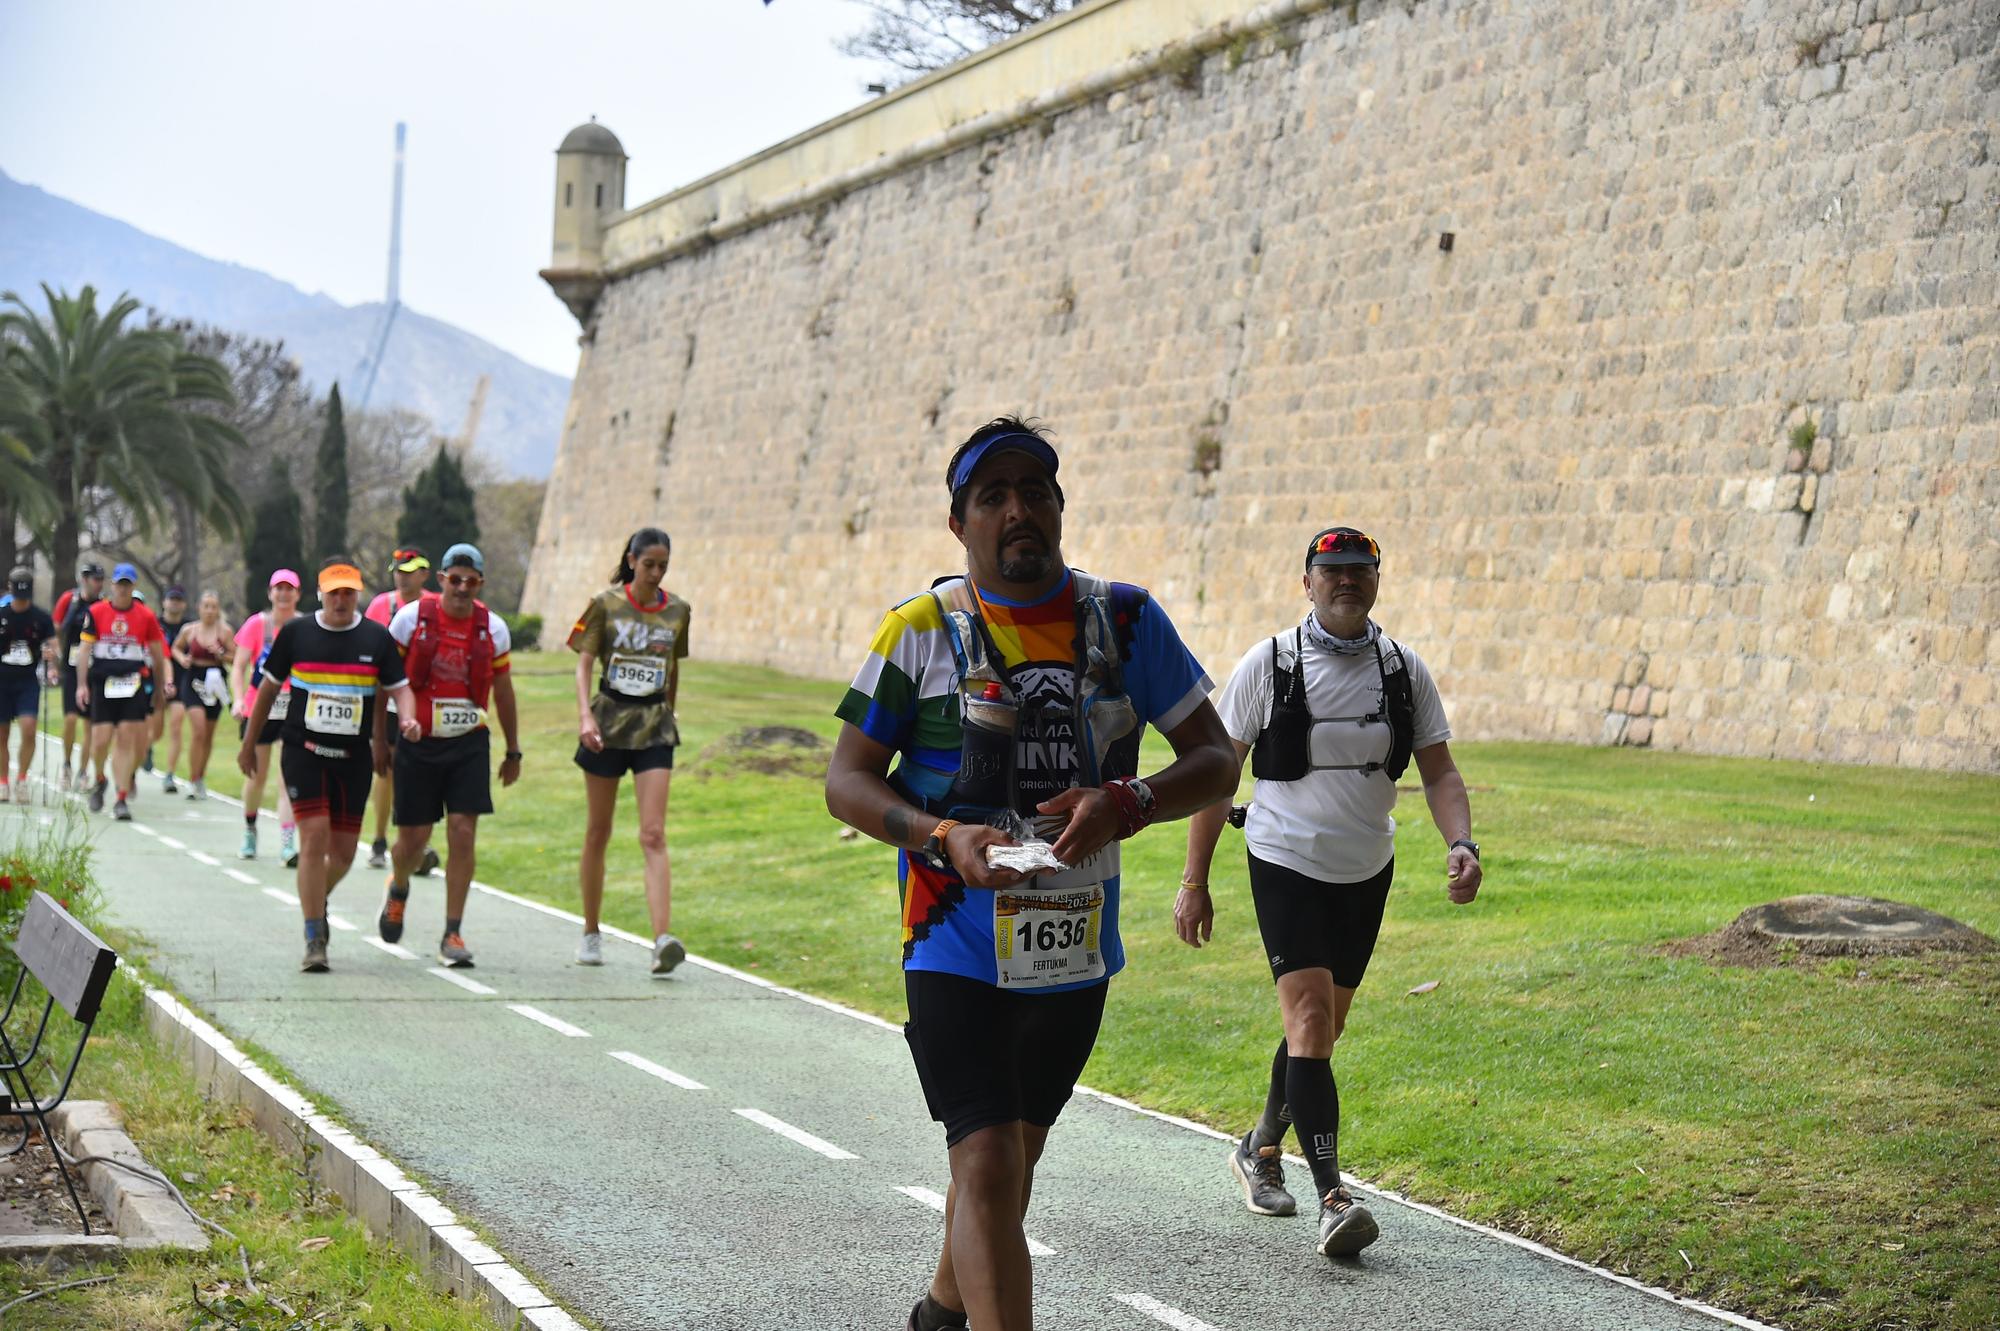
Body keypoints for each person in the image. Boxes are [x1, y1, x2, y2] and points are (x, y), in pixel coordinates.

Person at [823, 418, 1236, 1331]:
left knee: (1012, 1162)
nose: (1018, 510)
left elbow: (1214, 760)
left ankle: (938, 1312)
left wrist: (1127, 801)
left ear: (1059, 506)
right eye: (993, 497)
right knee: (990, 1166)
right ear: (959, 524)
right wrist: (940, 837)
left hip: (1072, 947)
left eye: (1034, 491)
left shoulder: (1125, 620)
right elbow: (845, 780)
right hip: (950, 938)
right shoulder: (919, 632)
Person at [1176, 525, 1482, 1259]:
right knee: (1309, 1019)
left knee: (1322, 1031)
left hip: (1365, 869)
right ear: (1306, 581)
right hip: (1283, 858)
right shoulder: (1271, 661)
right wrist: (1195, 881)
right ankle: (1334, 1198)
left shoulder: (1403, 670)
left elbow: (1438, 771)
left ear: (1376, 579)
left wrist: (1462, 842)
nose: (1346, 579)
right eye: (1331, 570)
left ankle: (1259, 1145)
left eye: (1359, 569)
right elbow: (1219, 773)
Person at [239, 559, 419, 972]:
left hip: (353, 758)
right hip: (303, 750)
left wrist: (404, 720)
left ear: (358, 595)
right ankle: (314, 936)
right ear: (320, 594)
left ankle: (316, 899)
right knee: (314, 837)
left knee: (342, 855)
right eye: (334, 592)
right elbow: (266, 690)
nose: (341, 599)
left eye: (349, 592)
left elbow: (399, 689)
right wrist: (250, 743)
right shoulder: (297, 634)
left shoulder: (376, 638)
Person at [378, 543, 521, 969]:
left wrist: (514, 750)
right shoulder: (409, 619)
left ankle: (452, 931)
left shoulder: (492, 629)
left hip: (468, 742)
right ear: (440, 580)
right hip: (418, 741)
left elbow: (505, 690)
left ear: (480, 585)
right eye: (454, 579)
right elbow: (383, 682)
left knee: (462, 831)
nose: (461, 588)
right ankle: (399, 886)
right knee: (413, 841)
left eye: (470, 581)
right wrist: (379, 740)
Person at [565, 528, 691, 972]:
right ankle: (591, 932)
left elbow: (671, 665)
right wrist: (584, 716)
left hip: (654, 727)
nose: (656, 573)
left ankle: (662, 940)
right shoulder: (605, 604)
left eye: (663, 566)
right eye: (649, 564)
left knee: (653, 833)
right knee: (599, 830)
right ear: (632, 561)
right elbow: (582, 663)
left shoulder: (678, 610)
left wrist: (670, 712)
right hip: (607, 724)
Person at [75, 564, 170, 820]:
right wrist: (82, 684)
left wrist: (159, 688)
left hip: (132, 683)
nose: (124, 589)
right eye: (120, 584)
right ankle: (100, 778)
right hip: (103, 684)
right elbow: (84, 650)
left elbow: (158, 655)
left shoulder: (146, 616)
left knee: (126, 738)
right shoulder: (96, 612)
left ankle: (121, 797)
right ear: (112, 585)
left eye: (128, 585)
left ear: (133, 586)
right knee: (100, 741)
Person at [364, 547, 433, 870]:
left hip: (423, 703)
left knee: (419, 774)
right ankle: (379, 840)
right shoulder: (382, 605)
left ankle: (418, 845)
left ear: (424, 574)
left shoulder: (433, 605)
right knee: (387, 772)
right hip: (388, 702)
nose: (401, 577)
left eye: (409, 571)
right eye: (397, 571)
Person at [232, 569, 302, 862]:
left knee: (288, 777)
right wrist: (238, 700)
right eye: (279, 589)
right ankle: (250, 829)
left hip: (294, 707)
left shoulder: (304, 626)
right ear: (270, 593)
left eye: (289, 589)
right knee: (257, 775)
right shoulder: (256, 625)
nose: (283, 594)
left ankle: (287, 842)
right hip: (259, 707)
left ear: (297, 594)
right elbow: (239, 666)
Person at [0, 569, 58, 805]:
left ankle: (22, 779)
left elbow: (54, 646)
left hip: (27, 681)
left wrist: (51, 659)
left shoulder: (41, 618)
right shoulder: (2, 615)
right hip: (2, 680)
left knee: (29, 728)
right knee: (2, 735)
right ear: (10, 588)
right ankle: (3, 782)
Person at [169, 591, 234, 800]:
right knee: (198, 730)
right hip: (193, 679)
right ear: (199, 608)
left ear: (218, 610)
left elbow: (236, 657)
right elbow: (175, 648)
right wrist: (183, 659)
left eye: (213, 606)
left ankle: (200, 778)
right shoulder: (190, 630)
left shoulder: (224, 632)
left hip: (215, 680)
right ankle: (192, 778)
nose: (209, 610)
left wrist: (222, 654)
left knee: (208, 734)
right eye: (206, 606)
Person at [52, 563, 105, 792]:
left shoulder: (103, 605)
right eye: (94, 578)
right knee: (71, 719)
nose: (98, 583)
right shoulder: (69, 600)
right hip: (71, 666)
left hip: (94, 669)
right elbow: (55, 631)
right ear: (84, 579)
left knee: (90, 724)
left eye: (101, 579)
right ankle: (66, 765)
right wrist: (54, 663)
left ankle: (84, 771)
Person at [150, 586, 189, 791]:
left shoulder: (188, 627)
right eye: (171, 599)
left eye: (178, 600)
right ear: (164, 602)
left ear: (184, 604)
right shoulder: (154, 624)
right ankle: (147, 748)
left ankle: (170, 775)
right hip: (157, 680)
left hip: (181, 682)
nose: (174, 603)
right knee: (156, 731)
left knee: (176, 724)